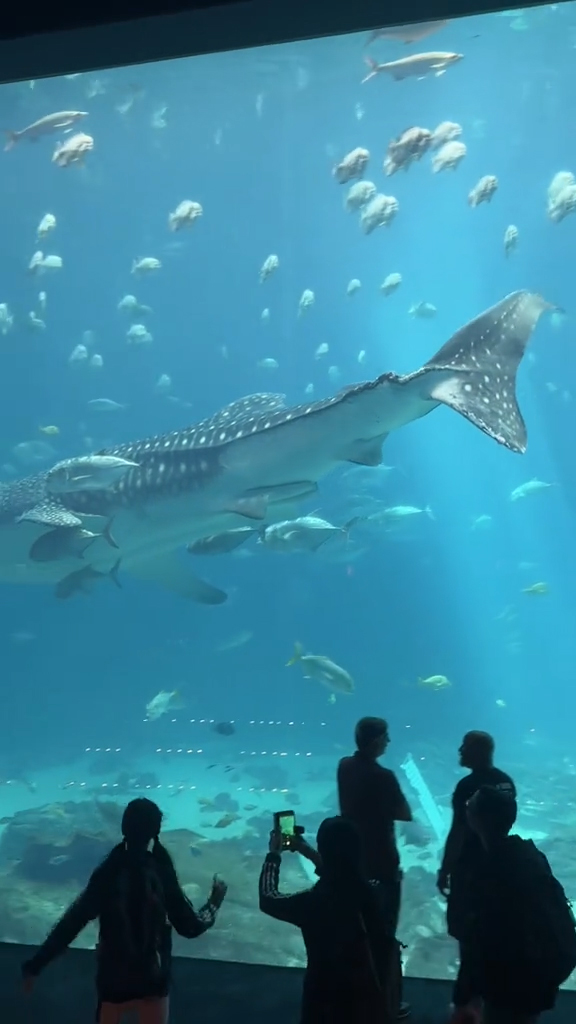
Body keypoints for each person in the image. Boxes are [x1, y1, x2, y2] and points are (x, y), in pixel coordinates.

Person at [21, 797, 227, 1024]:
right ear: (156, 830)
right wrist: (214, 901)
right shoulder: (160, 870)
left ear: (124, 827)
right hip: (153, 983)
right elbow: (190, 926)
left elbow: (72, 922)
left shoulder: (108, 872)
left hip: (113, 985)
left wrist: (36, 965)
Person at [259, 815, 400, 1024]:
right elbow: (344, 875)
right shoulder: (376, 892)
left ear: (324, 850)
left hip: (324, 997)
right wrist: (307, 851)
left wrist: (273, 855)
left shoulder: (314, 903)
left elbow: (268, 898)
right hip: (369, 998)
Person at [465, 785, 575, 1024]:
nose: (466, 807)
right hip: (536, 969)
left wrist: (468, 993)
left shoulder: (491, 870)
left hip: (510, 977)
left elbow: (478, 936)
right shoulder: (530, 855)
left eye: (470, 805)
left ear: (479, 819)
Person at [437, 732, 516, 1024]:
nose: (460, 750)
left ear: (479, 751)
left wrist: (445, 868)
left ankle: (464, 1005)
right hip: (500, 867)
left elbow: (458, 831)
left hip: (470, 871)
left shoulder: (468, 786)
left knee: (467, 937)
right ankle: (487, 1001)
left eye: (465, 746)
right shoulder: (506, 781)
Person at [337, 716, 412, 1018]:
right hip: (382, 864)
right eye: (386, 737)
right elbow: (404, 813)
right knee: (383, 934)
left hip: (353, 860)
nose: (389, 742)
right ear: (376, 741)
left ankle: (355, 997)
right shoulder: (384, 776)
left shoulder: (345, 766)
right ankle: (385, 1003)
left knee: (356, 931)